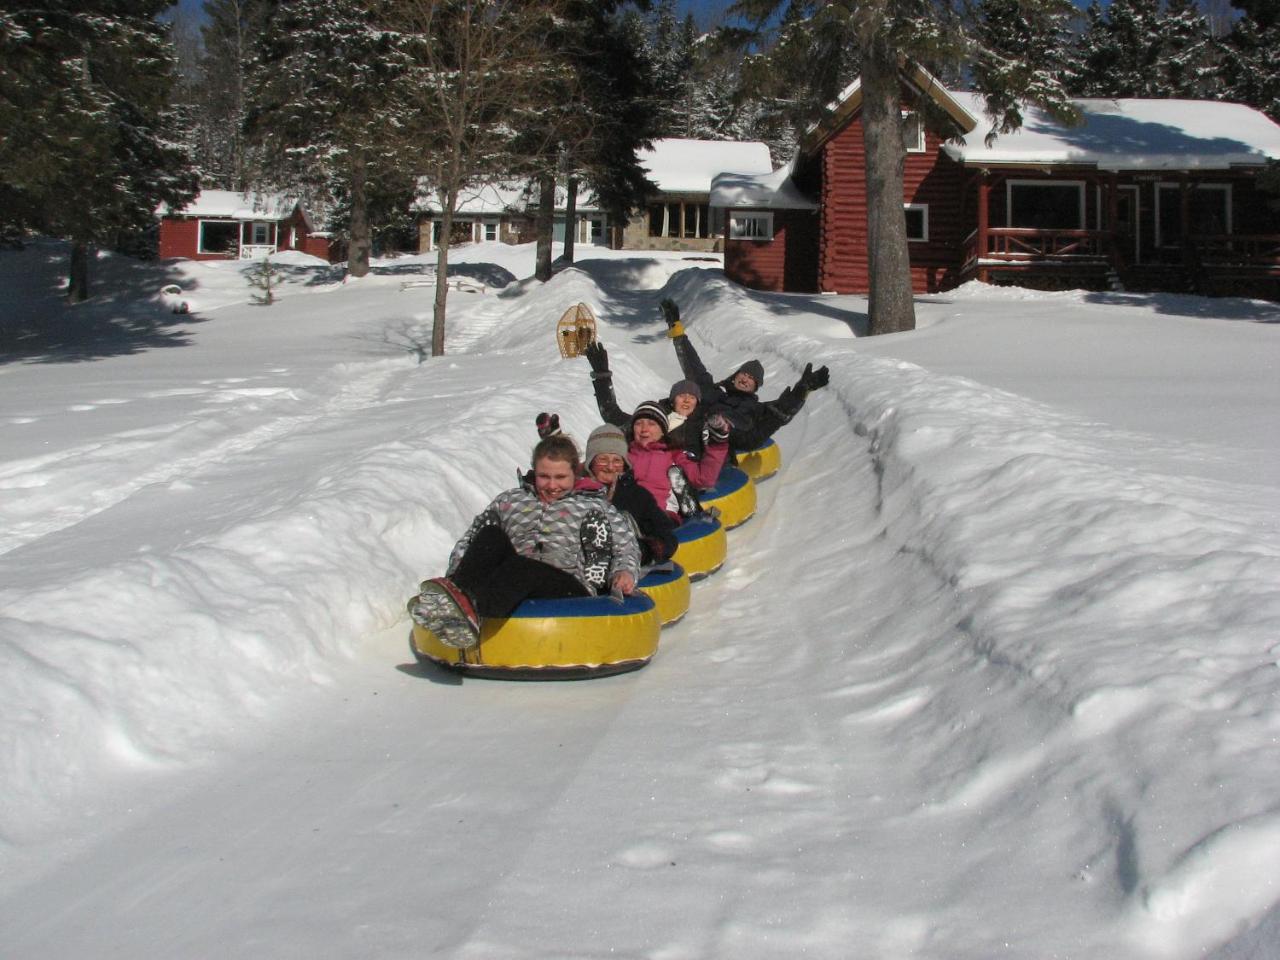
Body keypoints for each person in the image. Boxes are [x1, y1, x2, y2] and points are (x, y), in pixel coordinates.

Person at [410, 434, 641, 649]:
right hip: (511, 581)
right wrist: (455, 574)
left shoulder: (595, 505)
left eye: (560, 477)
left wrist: (624, 572)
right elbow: (471, 539)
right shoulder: (510, 500)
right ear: (534, 472)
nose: (552, 486)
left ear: (575, 474)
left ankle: (474, 611)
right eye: (544, 476)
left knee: (522, 567)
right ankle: (455, 599)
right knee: (490, 534)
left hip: (567, 586)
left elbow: (626, 544)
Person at [660, 297, 831, 454]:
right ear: (734, 376)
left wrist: (802, 391)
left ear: (755, 387)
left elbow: (780, 411)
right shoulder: (713, 390)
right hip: (682, 427)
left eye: (752, 379)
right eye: (744, 374)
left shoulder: (755, 408)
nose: (745, 379)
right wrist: (677, 332)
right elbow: (693, 366)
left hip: (715, 440)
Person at [584, 340, 710, 459]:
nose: (687, 400)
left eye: (692, 397)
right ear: (672, 400)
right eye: (682, 396)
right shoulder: (652, 420)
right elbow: (611, 413)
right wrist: (602, 377)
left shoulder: (703, 427)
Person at [582, 423, 679, 567]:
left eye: (617, 461)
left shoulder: (637, 496)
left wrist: (644, 550)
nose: (610, 467)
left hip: (628, 567)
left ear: (624, 464)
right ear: (590, 463)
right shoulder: (578, 494)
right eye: (602, 459)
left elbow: (667, 537)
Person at [624, 400, 730, 520]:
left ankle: (689, 505)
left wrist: (717, 445)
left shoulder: (673, 455)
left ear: (663, 431)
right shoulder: (624, 457)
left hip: (661, 514)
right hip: (628, 514)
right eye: (638, 423)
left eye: (651, 424)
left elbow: (702, 478)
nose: (644, 429)